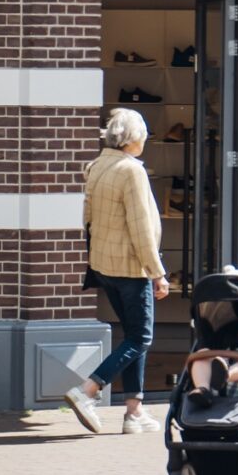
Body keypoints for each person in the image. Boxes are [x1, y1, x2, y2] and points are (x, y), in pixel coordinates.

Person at [66, 108, 173, 434]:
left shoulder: (97, 166)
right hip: (131, 267)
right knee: (141, 337)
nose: (146, 140)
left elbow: (87, 218)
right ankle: (88, 390)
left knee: (132, 337)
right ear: (133, 138)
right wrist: (157, 272)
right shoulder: (131, 171)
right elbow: (141, 227)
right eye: (144, 134)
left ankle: (134, 413)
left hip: (104, 265)